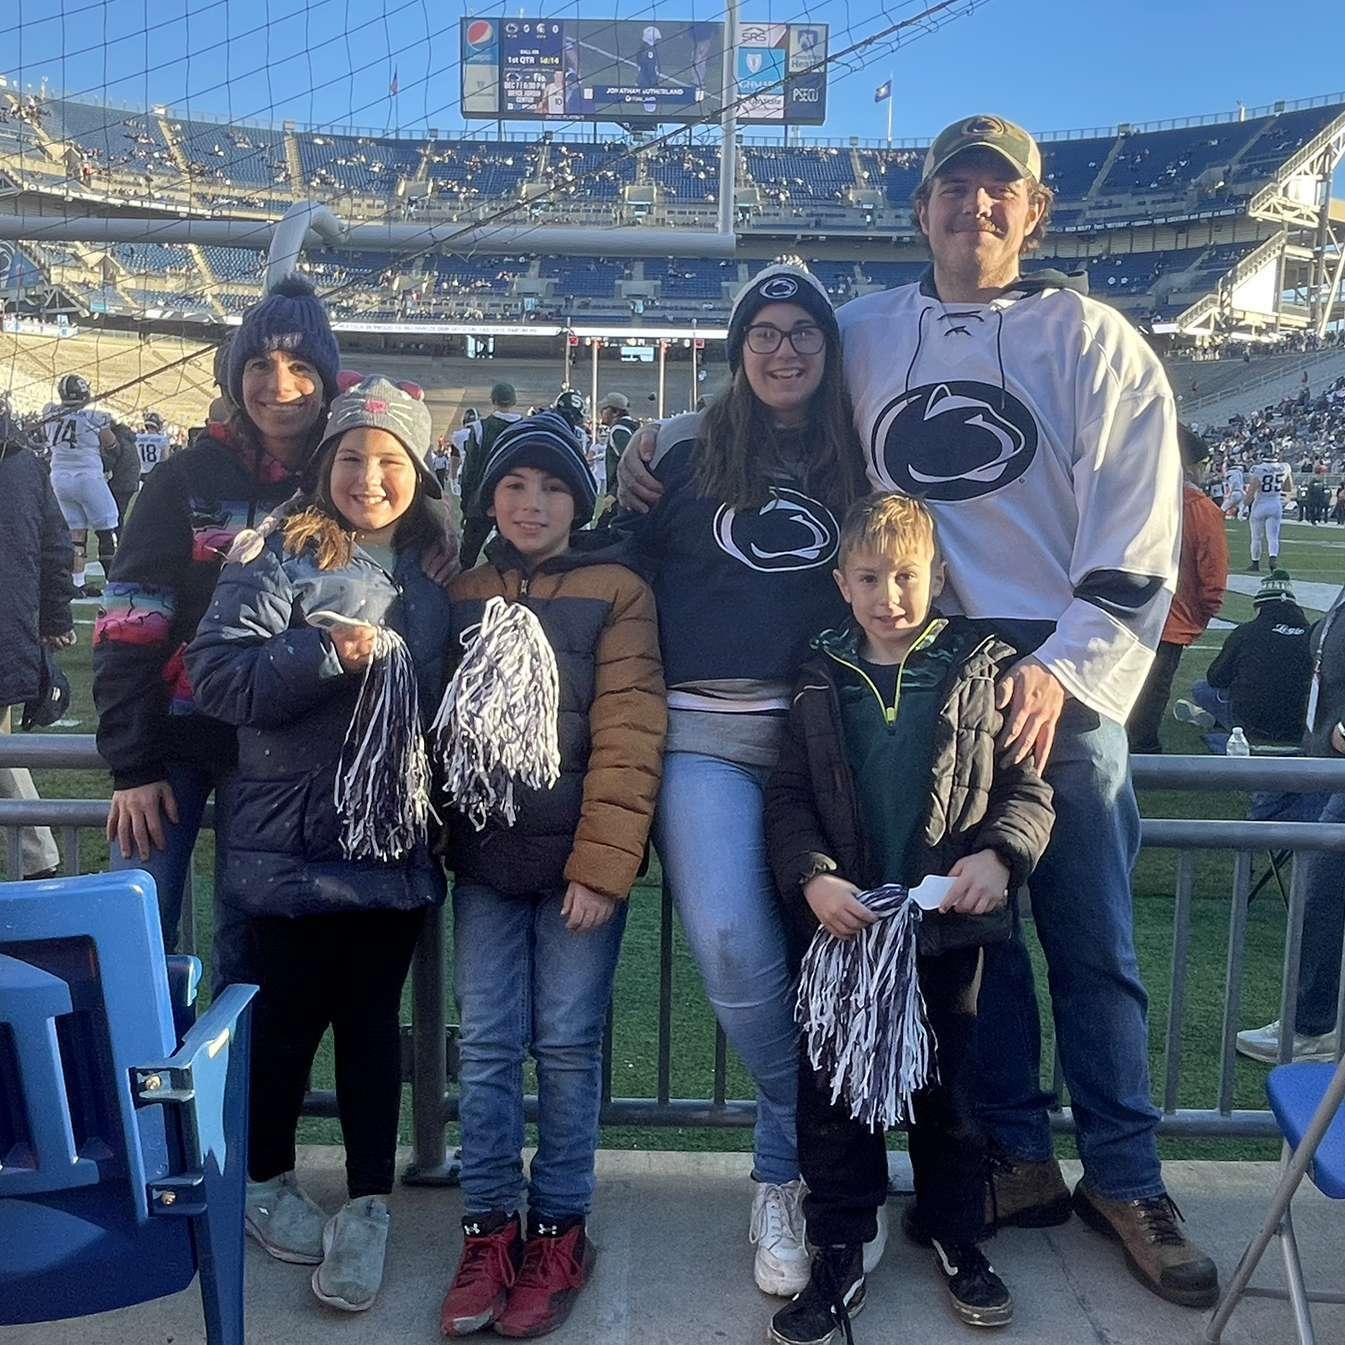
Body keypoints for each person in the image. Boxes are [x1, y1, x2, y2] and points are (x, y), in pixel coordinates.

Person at [617, 114, 1218, 1307]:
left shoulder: (1096, 342)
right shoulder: (873, 329)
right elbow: (771, 390)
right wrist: (664, 432)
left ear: (1034, 211)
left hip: (1054, 678)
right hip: (924, 672)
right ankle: (1009, 1153)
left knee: (1090, 938)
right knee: (962, 930)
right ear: (923, 211)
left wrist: (1063, 666)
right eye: (953, 191)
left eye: (999, 193)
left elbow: (1139, 527)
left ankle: (1129, 1174)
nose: (974, 210)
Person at [619, 263, 869, 1298]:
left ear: (826, 346)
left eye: (802, 330)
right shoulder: (675, 450)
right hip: (705, 735)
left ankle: (794, 1172)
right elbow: (617, 571)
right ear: (737, 348)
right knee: (727, 938)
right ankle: (818, 1146)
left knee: (834, 961)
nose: (783, 349)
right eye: (763, 332)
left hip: (826, 735)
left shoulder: (858, 448)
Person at [763, 494, 1054, 1342]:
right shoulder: (815, 669)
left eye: (905, 576)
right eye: (869, 577)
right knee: (835, 1099)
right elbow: (786, 799)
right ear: (840, 582)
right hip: (845, 932)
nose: (889, 593)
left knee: (950, 1095)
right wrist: (812, 879)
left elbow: (1027, 789)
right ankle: (841, 1247)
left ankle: (958, 1233)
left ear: (936, 576)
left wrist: (1000, 857)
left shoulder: (979, 664)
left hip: (945, 930)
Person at [187, 377, 450, 1313]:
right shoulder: (276, 553)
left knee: (374, 1028)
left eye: (389, 462)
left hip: (391, 846)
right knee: (288, 1024)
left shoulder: (432, 573)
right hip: (289, 846)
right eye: (351, 457)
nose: (369, 478)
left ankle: (370, 1200)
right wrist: (324, 653)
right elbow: (216, 675)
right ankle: (263, 1182)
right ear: (323, 463)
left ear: (418, 474)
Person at [438, 413, 665, 1339]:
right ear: (489, 496)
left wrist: (605, 867)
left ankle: (560, 1225)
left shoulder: (616, 589)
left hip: (577, 864)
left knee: (568, 1045)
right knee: (489, 1044)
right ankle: (488, 1223)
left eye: (555, 487)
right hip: (487, 864)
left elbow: (629, 731)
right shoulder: (462, 588)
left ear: (583, 499)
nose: (533, 504)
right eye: (515, 486)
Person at [93, 276, 342, 967]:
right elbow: (129, 623)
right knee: (132, 950)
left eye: (299, 365)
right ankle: (135, 1078)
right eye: (259, 363)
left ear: (325, 377)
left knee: (249, 952)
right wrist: (131, 764)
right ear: (236, 377)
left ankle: (231, 1083)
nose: (278, 383)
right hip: (169, 746)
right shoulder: (182, 478)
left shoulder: (342, 478)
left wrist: (436, 523)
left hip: (277, 750)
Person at [1236, 584, 1345, 1065]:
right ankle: (1314, 1022)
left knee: (1323, 890)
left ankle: (1313, 1025)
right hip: (1327, 763)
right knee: (1322, 889)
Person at [0, 400, 75, 879]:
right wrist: (54, 616)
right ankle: (40, 857)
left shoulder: (23, 466)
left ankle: (39, 857)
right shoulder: (25, 465)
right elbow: (56, 546)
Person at [1127, 426, 1229, 754]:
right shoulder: (1201, 509)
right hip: (1171, 618)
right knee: (1154, 690)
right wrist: (1199, 615)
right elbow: (1213, 579)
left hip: (1126, 609)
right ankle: (1144, 748)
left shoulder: (1135, 498)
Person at [1173, 569, 1312, 742]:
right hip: (1299, 722)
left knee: (1200, 688)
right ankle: (1216, 719)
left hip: (1252, 719)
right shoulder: (1312, 635)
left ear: (1261, 607)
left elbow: (1216, 678)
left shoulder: (1246, 632)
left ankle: (1218, 720)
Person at [43, 373, 119, 597]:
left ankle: (76, 583)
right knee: (107, 532)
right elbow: (111, 444)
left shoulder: (49, 412)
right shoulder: (95, 416)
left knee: (76, 533)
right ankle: (113, 583)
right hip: (88, 476)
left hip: (59, 478)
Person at [457, 382, 522, 568]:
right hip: (515, 501)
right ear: (514, 400)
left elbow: (470, 470)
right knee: (512, 560)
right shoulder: (526, 426)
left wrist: (465, 503)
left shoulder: (480, 428)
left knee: (466, 559)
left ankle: (458, 595)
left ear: (493, 399)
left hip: (481, 499)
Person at [1244, 443, 1293, 572]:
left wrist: (1244, 506)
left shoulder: (1258, 468)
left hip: (1260, 502)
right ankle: (1273, 558)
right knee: (1273, 536)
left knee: (1256, 537)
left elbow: (1251, 490)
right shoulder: (1285, 467)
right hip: (1275, 503)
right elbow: (1288, 488)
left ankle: (1255, 563)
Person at [597, 391, 640, 499]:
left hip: (623, 494)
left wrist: (613, 493)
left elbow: (630, 462)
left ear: (615, 412)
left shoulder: (619, 430)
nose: (601, 412)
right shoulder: (631, 428)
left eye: (604, 409)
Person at [103, 422, 143, 528]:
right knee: (120, 513)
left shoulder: (115, 440)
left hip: (119, 481)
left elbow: (108, 462)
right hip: (131, 480)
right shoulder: (127, 438)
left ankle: (117, 539)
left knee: (114, 515)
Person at [135, 410, 171, 482]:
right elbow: (165, 458)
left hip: (139, 473)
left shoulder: (137, 438)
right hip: (155, 474)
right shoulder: (162, 439)